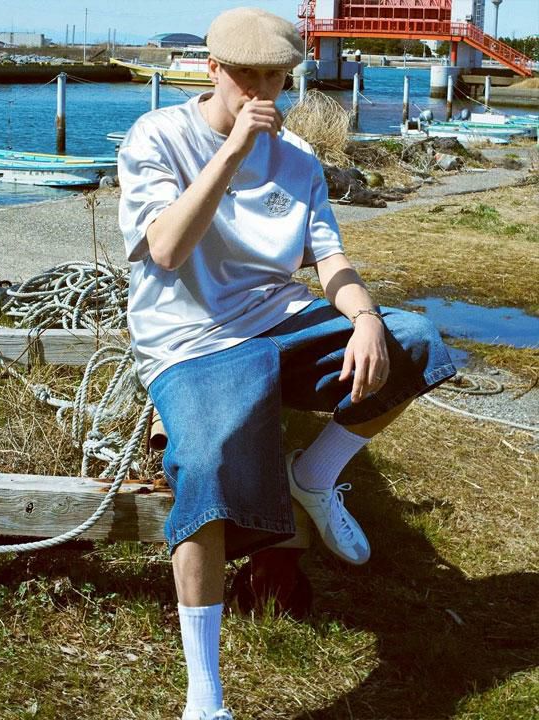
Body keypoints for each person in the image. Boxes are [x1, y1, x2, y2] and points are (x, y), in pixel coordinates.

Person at [118, 8, 456, 719]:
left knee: (415, 340)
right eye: (246, 75)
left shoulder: (298, 157)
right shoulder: (158, 135)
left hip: (279, 317)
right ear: (212, 69)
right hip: (190, 338)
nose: (262, 91)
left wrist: (365, 318)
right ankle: (205, 695)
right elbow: (167, 250)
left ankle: (316, 475)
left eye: (276, 77)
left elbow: (330, 259)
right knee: (203, 468)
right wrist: (233, 152)